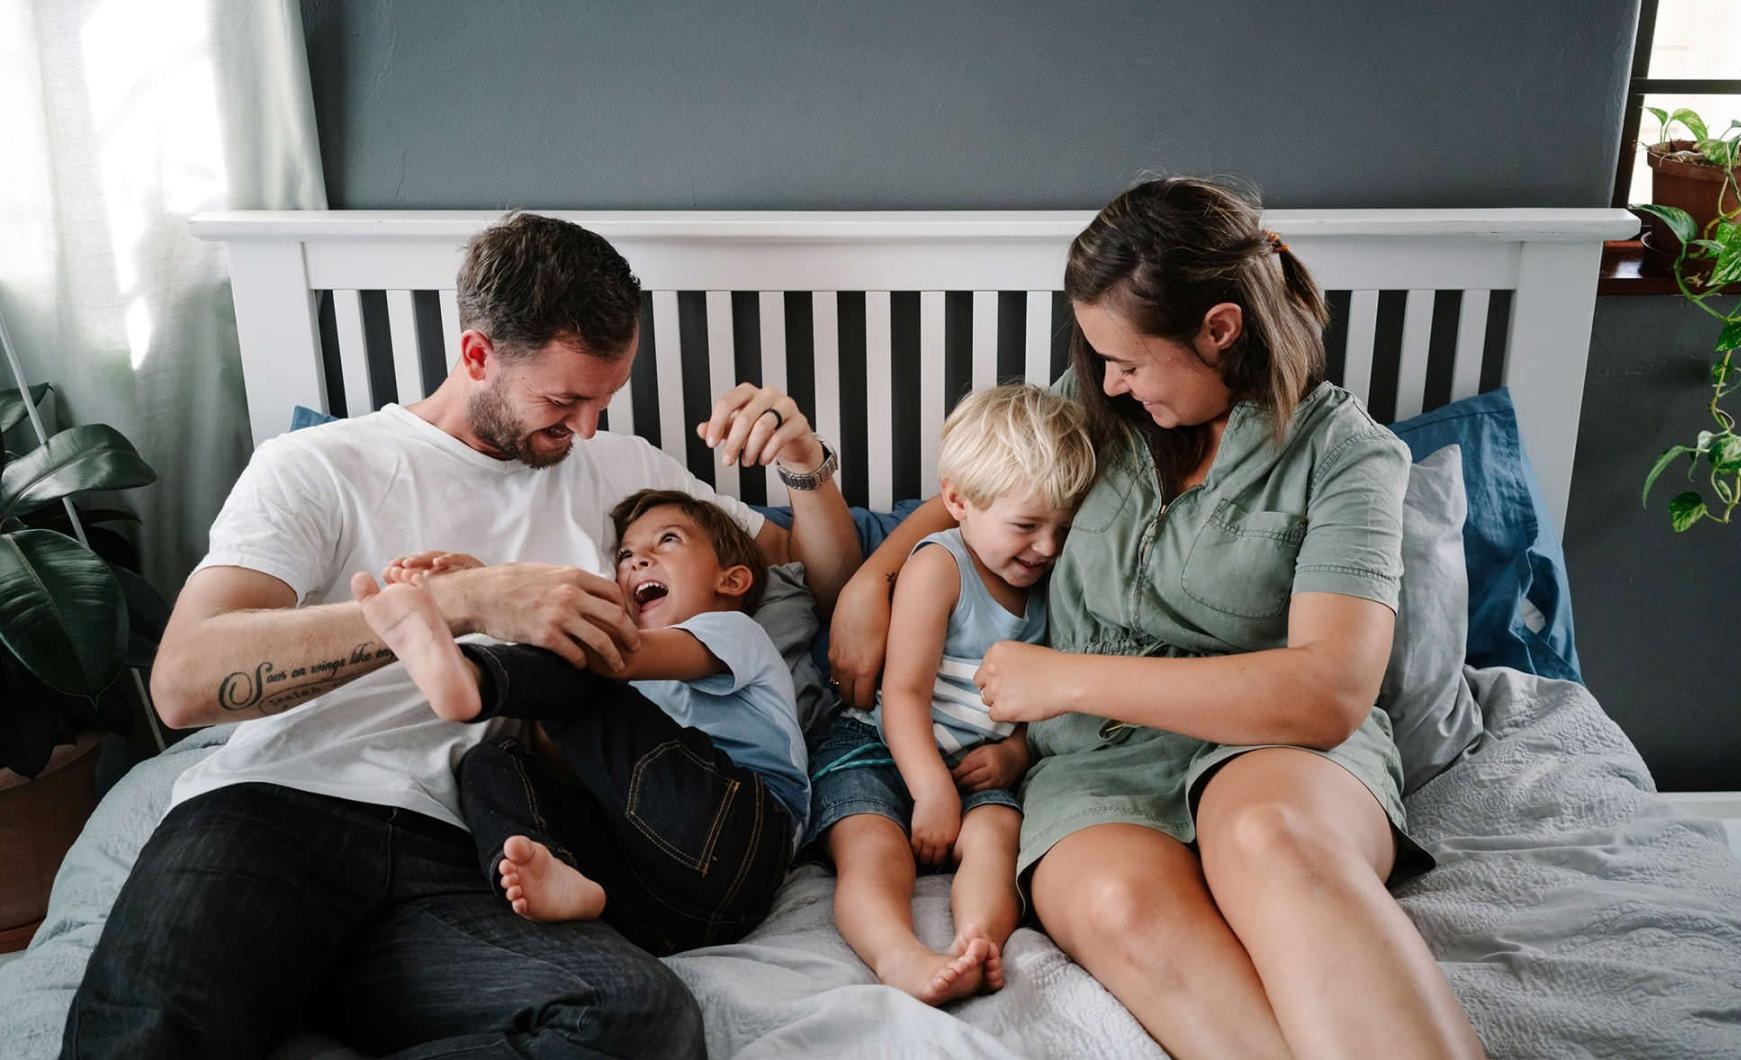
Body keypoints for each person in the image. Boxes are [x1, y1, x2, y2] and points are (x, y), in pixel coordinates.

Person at [65, 212, 859, 1060]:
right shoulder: (322, 466)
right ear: (478, 355)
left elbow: (822, 583)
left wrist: (805, 464)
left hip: (477, 848)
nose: (587, 428)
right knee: (147, 1037)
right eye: (563, 400)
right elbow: (183, 683)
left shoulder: (627, 471)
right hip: (279, 809)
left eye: (603, 400)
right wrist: (467, 601)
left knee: (639, 1022)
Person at [827, 178, 1485, 1059]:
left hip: (1272, 745)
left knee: (1270, 841)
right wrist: (876, 574)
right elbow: (979, 490)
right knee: (1119, 906)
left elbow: (1328, 691)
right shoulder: (1099, 407)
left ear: (1219, 329)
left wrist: (1065, 678)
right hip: (1092, 762)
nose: (1107, 381)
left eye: (1130, 361)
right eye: (1098, 358)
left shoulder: (1346, 457)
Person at [356, 488, 823, 957]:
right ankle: (552, 869)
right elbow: (569, 739)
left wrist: (496, 597)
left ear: (733, 580)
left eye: (667, 541)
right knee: (492, 760)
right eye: (625, 555)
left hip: (745, 839)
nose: (637, 562)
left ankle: (474, 678)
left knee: (584, 665)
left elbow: (614, 660)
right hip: (661, 911)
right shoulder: (629, 703)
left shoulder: (736, 632)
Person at [806, 384, 1095, 1005]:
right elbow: (903, 692)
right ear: (959, 501)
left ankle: (977, 942)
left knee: (996, 840)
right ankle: (898, 955)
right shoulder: (939, 566)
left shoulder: (1052, 578)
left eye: (1061, 528)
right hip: (884, 744)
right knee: (872, 849)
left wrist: (1016, 754)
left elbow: (1045, 693)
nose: (1046, 547)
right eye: (1027, 525)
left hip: (976, 761)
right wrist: (930, 789)